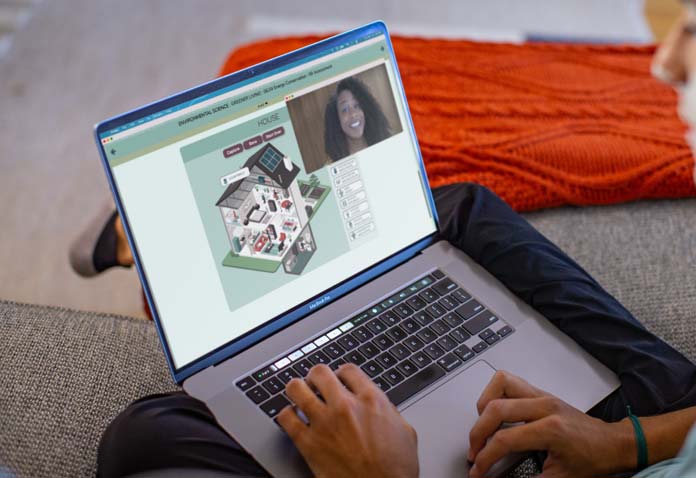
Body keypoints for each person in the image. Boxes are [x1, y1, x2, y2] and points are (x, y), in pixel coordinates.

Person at [74, 5, 696, 477]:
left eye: (691, 31)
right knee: (457, 211)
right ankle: (147, 245)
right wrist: (624, 442)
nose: (663, 65)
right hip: (646, 432)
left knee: (144, 433)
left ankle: (147, 245)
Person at [324, 76, 392, 162]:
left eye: (357, 105)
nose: (353, 114)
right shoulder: (332, 166)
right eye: (345, 109)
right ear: (336, 119)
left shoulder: (388, 144)